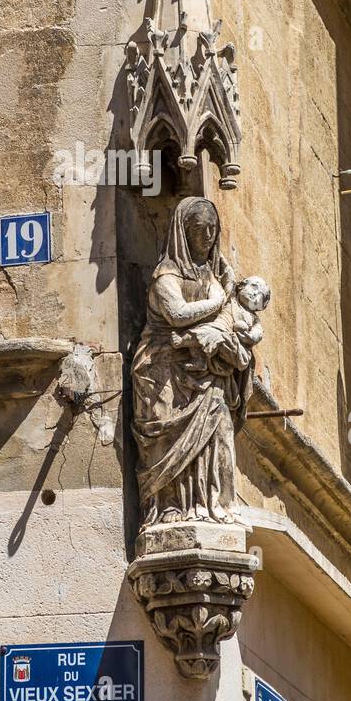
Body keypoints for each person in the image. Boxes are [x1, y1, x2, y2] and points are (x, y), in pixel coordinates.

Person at [131, 197, 266, 526]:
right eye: (198, 230)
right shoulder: (167, 275)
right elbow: (176, 314)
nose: (206, 236)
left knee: (217, 432)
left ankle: (208, 504)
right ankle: (167, 507)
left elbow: (239, 313)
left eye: (212, 230)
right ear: (182, 232)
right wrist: (217, 299)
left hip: (208, 375)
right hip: (162, 369)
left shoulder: (219, 272)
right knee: (165, 437)